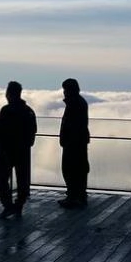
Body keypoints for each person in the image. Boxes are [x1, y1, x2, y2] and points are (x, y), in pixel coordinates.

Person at [0, 81, 37, 219]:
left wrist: (0, 147)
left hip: (5, 151)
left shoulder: (6, 110)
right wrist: (26, 145)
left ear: (10, 94)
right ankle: (18, 206)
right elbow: (33, 131)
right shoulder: (28, 111)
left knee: (2, 179)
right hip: (22, 151)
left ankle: (8, 206)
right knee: (22, 180)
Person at [59, 78, 90, 208]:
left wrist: (67, 139)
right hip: (77, 142)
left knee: (71, 169)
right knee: (79, 169)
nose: (64, 92)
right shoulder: (79, 102)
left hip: (73, 143)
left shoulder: (74, 104)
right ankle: (77, 195)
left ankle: (74, 196)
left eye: (65, 90)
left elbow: (73, 125)